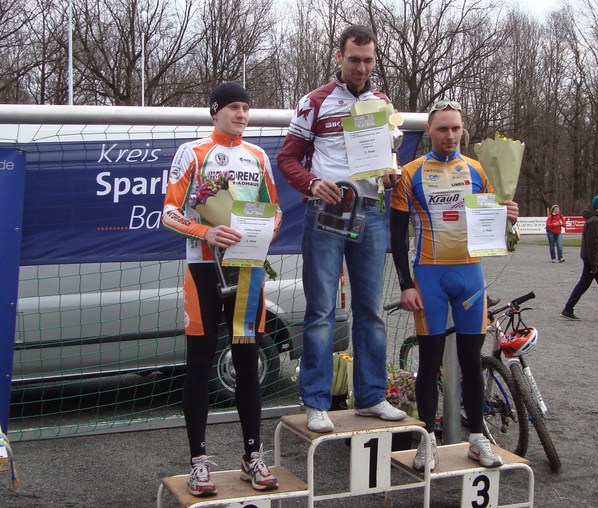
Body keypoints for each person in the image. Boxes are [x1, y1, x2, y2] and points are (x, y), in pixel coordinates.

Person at [277, 24, 406, 433]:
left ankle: (371, 397)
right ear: (339, 56)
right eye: (354, 59)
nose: (361, 67)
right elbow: (287, 158)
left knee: (371, 310)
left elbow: (388, 157)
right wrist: (312, 183)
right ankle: (316, 402)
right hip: (327, 213)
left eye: (368, 60)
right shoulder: (314, 101)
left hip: (369, 211)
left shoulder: (382, 102)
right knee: (321, 310)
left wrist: (391, 174)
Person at [162, 82, 281, 496]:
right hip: (202, 271)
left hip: (246, 270)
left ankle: (253, 456)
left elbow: (275, 209)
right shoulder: (192, 152)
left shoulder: (258, 155)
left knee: (247, 364)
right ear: (215, 112)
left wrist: (262, 233)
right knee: (199, 364)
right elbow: (169, 213)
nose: (242, 114)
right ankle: (198, 463)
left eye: (246, 108)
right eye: (233, 107)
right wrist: (206, 232)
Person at [390, 100, 520, 472]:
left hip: (470, 277)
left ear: (464, 130)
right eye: (443, 129)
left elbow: (498, 232)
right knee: (429, 364)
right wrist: (404, 284)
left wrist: (510, 216)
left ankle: (477, 438)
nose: (450, 135)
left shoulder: (479, 171)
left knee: (471, 362)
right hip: (428, 277)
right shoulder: (411, 173)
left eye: (456, 128)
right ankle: (427, 440)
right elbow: (397, 238)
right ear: (428, 130)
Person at [561, 195, 598, 320]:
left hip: (591, 259)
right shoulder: (594, 221)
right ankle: (567, 308)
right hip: (593, 260)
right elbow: (592, 244)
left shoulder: (594, 219)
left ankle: (568, 308)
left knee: (583, 284)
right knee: (583, 284)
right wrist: (594, 264)